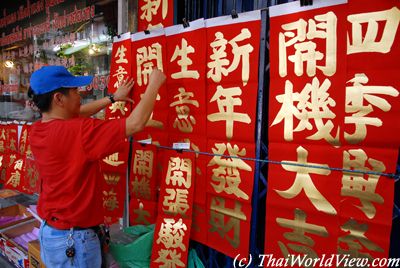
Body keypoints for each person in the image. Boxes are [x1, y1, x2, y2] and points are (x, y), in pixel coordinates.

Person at [28, 65, 166, 268]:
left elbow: (79, 112)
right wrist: (154, 83)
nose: (80, 95)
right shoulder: (78, 131)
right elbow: (135, 124)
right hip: (74, 242)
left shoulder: (38, 129)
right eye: (74, 91)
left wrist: (112, 98)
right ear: (58, 98)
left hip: (52, 233)